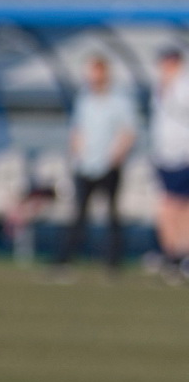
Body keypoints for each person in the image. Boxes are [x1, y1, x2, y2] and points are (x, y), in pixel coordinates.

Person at [56, 53, 141, 270]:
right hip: (85, 165)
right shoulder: (84, 99)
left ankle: (113, 262)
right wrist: (76, 154)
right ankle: (65, 259)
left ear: (104, 73)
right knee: (78, 214)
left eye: (94, 72)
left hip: (109, 165)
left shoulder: (120, 100)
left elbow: (128, 132)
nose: (91, 77)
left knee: (111, 215)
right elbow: (77, 129)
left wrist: (115, 157)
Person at [152, 47, 189, 278]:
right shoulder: (160, 85)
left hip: (183, 154)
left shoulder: (184, 86)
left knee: (179, 207)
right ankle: (173, 254)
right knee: (169, 206)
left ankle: (181, 255)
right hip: (164, 155)